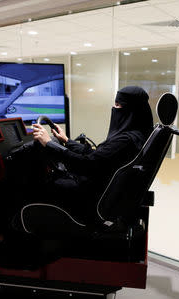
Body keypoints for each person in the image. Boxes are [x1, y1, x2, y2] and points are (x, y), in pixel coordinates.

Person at [29, 85, 153, 223]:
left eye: (118, 105)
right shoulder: (135, 135)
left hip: (92, 195)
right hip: (101, 186)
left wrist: (49, 143)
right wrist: (66, 141)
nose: (114, 108)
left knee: (37, 186)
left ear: (131, 110)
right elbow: (97, 156)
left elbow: (86, 164)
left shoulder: (126, 140)